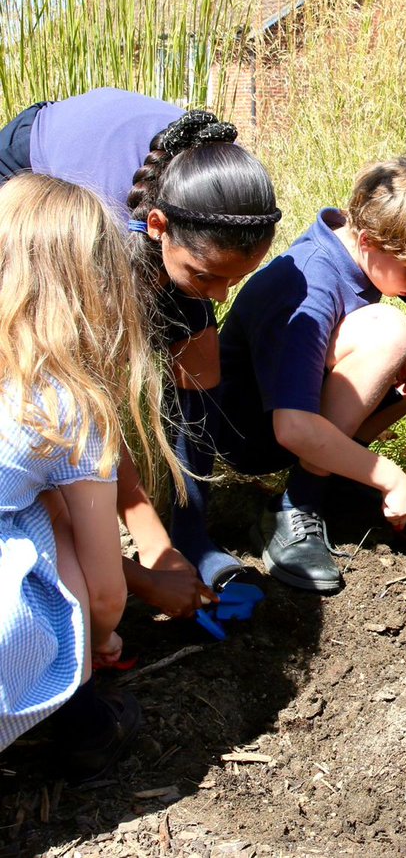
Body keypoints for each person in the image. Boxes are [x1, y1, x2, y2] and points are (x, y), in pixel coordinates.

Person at [0, 88, 281, 613]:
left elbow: (199, 300)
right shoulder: (96, 234)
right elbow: (87, 402)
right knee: (64, 381)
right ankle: (73, 547)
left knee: (199, 354)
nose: (222, 295)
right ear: (158, 229)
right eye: (207, 276)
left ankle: (193, 532)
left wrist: (175, 546)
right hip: (39, 180)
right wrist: (147, 555)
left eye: (235, 280)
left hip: (154, 210)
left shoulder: (214, 201)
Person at [216, 157, 406, 592]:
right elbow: (292, 427)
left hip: (301, 416)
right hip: (251, 433)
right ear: (368, 240)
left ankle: (330, 472)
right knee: (390, 329)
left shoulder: (369, 249)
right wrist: (388, 474)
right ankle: (297, 506)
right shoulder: (310, 284)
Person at [0, 174, 181, 780]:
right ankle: (78, 724)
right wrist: (101, 637)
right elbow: (105, 593)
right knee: (62, 527)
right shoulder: (61, 405)